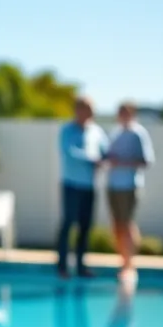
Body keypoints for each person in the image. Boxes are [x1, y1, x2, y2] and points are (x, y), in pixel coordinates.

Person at [55, 97, 107, 278]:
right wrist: (92, 158)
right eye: (86, 109)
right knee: (68, 223)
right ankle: (62, 266)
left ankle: (81, 266)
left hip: (90, 186)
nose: (90, 113)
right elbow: (69, 152)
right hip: (71, 184)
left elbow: (105, 152)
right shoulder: (67, 130)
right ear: (78, 110)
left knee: (85, 226)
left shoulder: (97, 132)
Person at [104, 102, 155, 279]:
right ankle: (122, 262)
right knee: (117, 225)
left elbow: (146, 161)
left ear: (132, 114)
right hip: (113, 185)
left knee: (127, 224)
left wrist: (122, 163)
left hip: (129, 186)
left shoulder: (138, 133)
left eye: (126, 113)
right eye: (120, 113)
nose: (123, 116)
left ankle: (130, 265)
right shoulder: (115, 132)